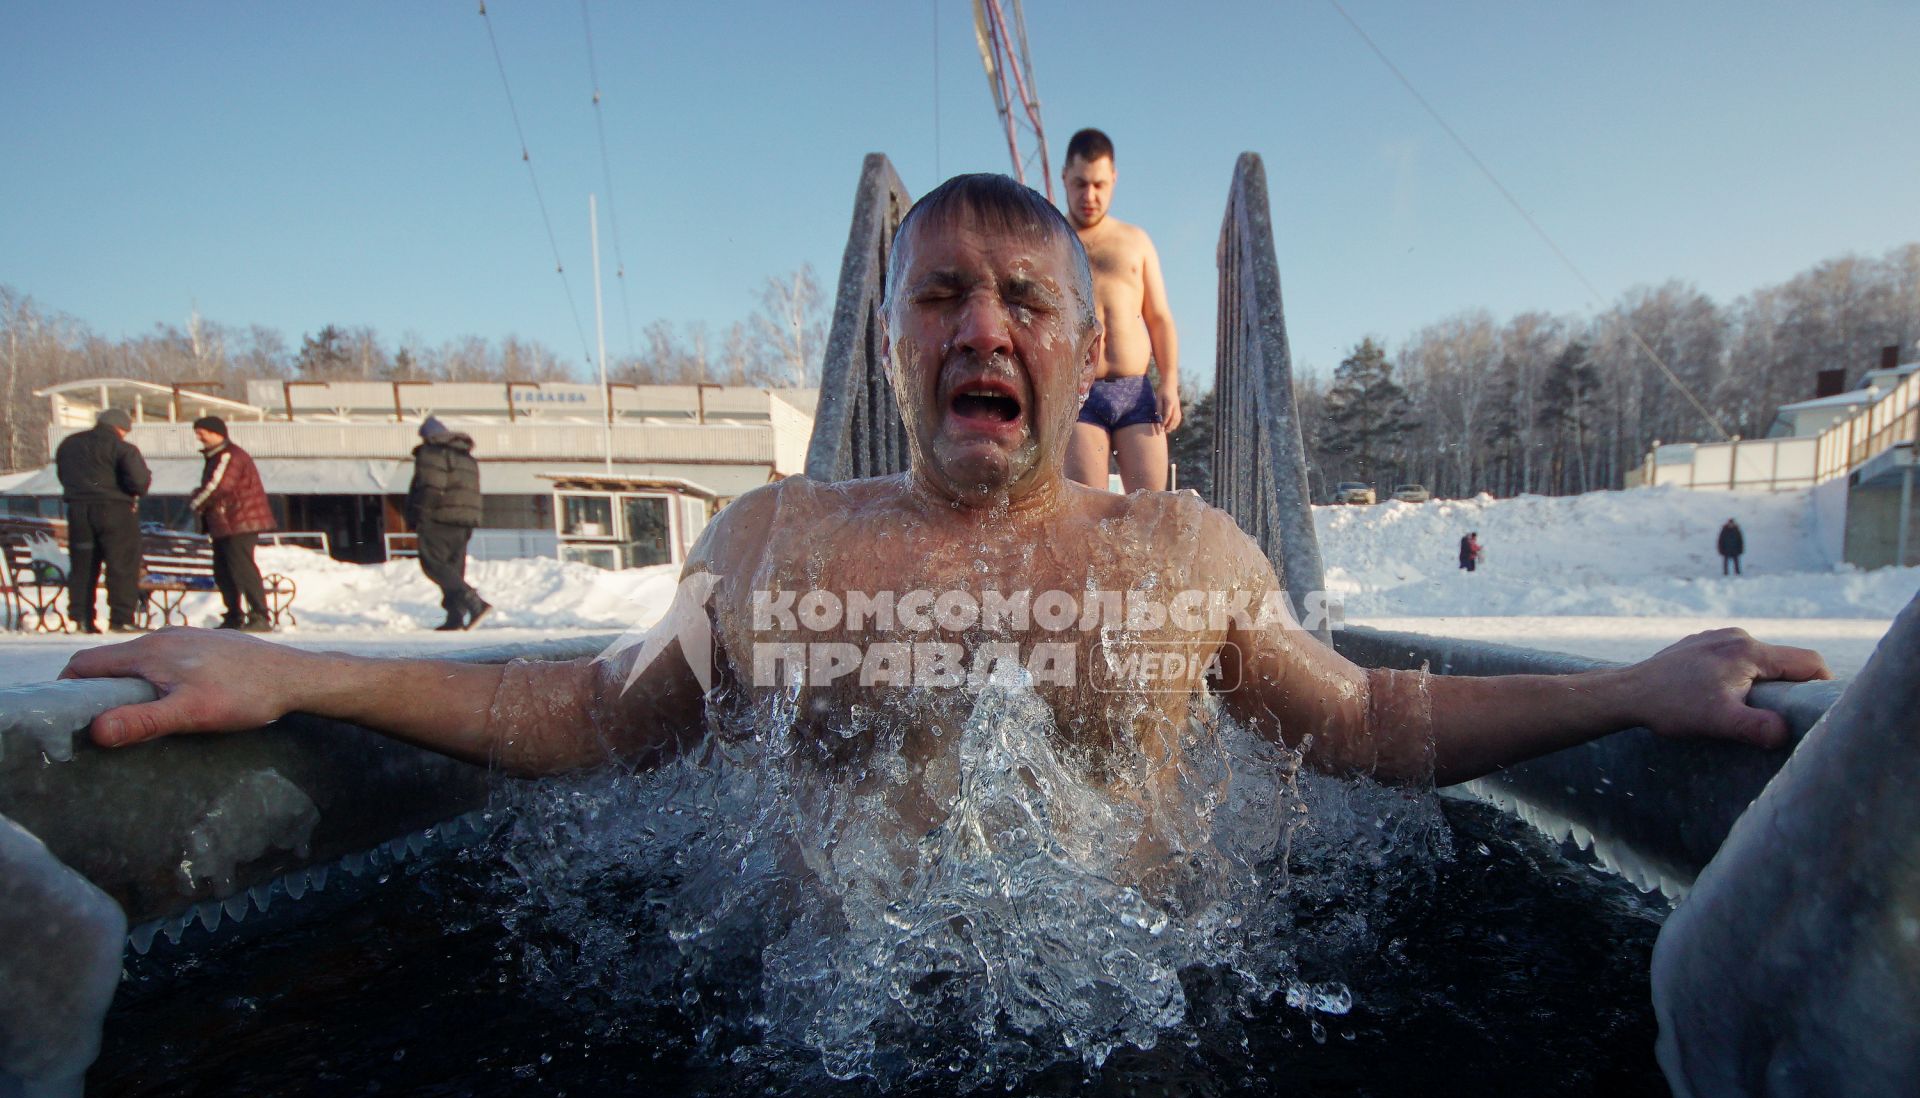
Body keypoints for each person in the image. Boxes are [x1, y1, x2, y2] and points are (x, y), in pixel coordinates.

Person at [65, 176, 1827, 863]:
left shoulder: (1184, 559)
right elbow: (602, 718)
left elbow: (1367, 718)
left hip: (1125, 1055)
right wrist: (301, 670)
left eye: (1020, 299)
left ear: (1082, 343)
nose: (982, 325)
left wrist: (1627, 688)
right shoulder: (773, 549)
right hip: (823, 1070)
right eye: (942, 297)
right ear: (894, 338)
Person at [1058, 129, 1181, 495]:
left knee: (1150, 514)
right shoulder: (1049, 241)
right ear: (1064, 177)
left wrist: (1170, 383)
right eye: (1080, 184)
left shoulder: (1135, 241)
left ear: (1113, 179)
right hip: (1078, 392)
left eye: (1098, 184)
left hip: (1136, 391)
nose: (1089, 195)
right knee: (1088, 516)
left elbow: (1160, 317)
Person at [55, 407, 151, 634]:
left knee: (83, 565)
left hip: (78, 511)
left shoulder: (69, 444)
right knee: (122, 565)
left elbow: (62, 474)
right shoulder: (123, 448)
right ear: (121, 428)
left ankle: (81, 618)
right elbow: (139, 482)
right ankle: (121, 619)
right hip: (115, 510)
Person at [187, 416, 277, 631]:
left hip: (239, 521)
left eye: (202, 432)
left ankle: (259, 616)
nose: (199, 436)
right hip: (225, 523)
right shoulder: (216, 455)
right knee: (224, 570)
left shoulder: (228, 455)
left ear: (217, 433)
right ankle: (234, 615)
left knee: (242, 568)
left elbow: (219, 486)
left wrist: (195, 501)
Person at [406, 416, 489, 631]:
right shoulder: (465, 456)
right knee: (453, 567)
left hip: (438, 518)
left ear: (428, 436)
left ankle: (475, 602)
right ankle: (455, 616)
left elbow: (431, 487)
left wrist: (420, 514)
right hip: (464, 521)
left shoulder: (432, 453)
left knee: (433, 564)